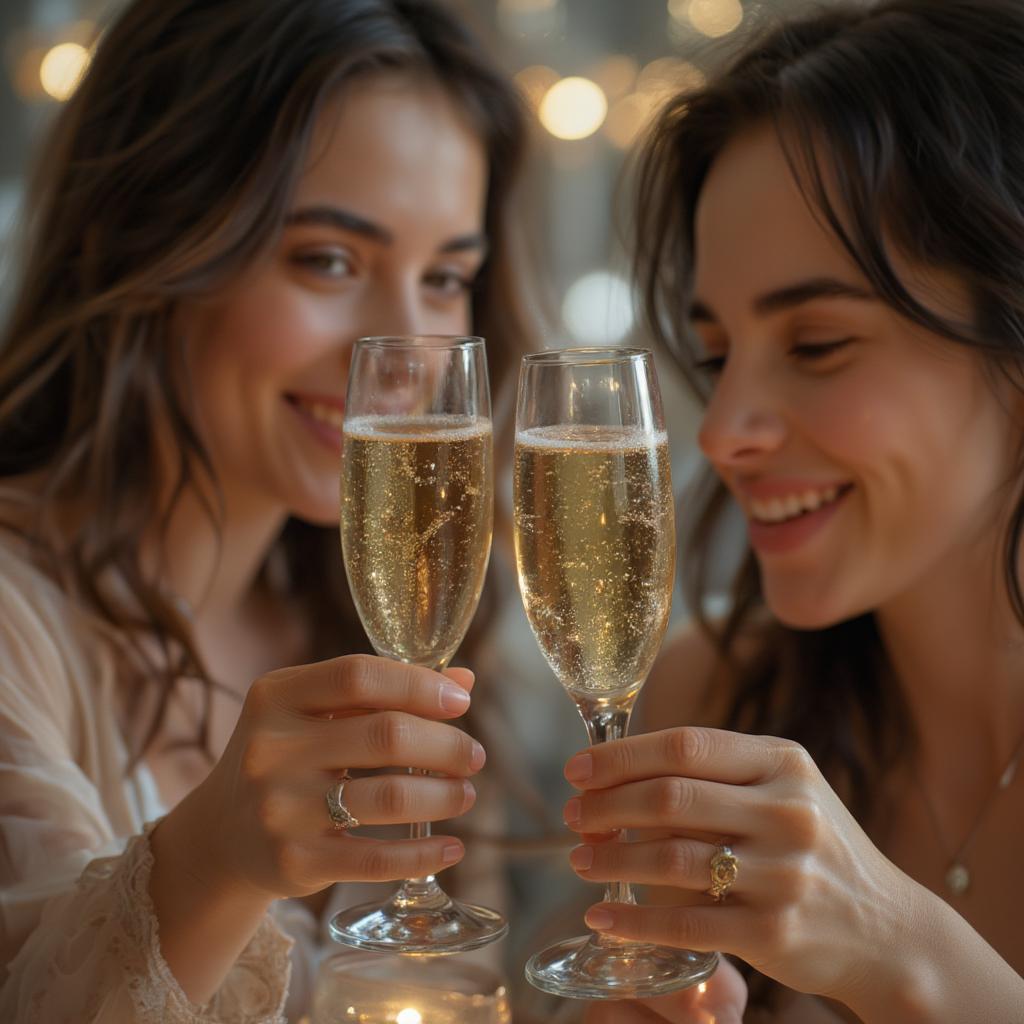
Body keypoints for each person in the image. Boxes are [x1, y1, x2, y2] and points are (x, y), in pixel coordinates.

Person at [0, 0, 534, 1020]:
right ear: (150, 240)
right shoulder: (16, 627)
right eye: (328, 259)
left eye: (446, 277)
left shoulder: (390, 630)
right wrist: (209, 863)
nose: (402, 354)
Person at [559, 1, 1024, 1021]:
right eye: (716, 353)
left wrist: (908, 956)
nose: (722, 432)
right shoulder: (712, 715)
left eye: (816, 344)